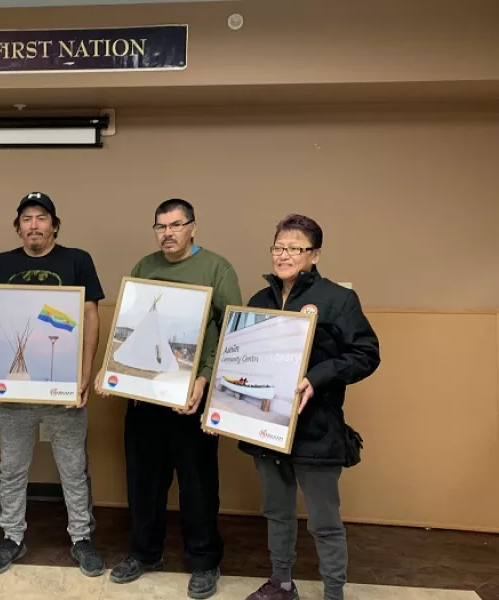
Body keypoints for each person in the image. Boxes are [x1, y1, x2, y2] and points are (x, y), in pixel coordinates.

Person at [96, 198, 242, 600]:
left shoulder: (216, 268)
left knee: (198, 485)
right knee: (143, 482)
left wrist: (205, 379)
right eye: (161, 226)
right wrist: (112, 369)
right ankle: (145, 554)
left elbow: (231, 330)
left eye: (176, 225)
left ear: (193, 227)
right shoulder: (145, 267)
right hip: (145, 399)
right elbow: (129, 327)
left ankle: (205, 561)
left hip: (190, 398)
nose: (168, 233)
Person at [240, 214, 380, 600]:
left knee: (324, 522)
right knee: (277, 512)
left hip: (317, 429)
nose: (284, 255)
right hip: (267, 427)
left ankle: (334, 593)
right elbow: (243, 360)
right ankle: (281, 583)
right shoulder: (259, 301)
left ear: (314, 255)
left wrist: (318, 377)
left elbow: (367, 354)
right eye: (278, 247)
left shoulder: (338, 300)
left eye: (295, 248)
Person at [0, 192, 106, 578]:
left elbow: (90, 316)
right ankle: (12, 536)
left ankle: (81, 538)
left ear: (54, 225)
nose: (34, 225)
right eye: (27, 218)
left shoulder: (77, 260)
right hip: (14, 388)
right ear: (18, 226)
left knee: (73, 465)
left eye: (42, 217)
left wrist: (85, 373)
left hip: (62, 385)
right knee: (12, 466)